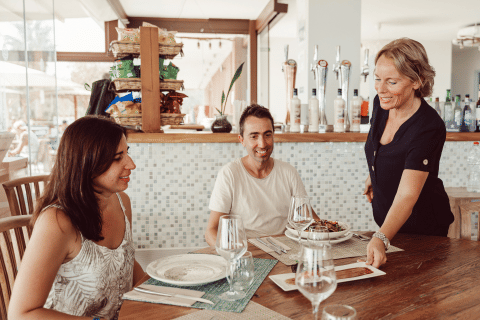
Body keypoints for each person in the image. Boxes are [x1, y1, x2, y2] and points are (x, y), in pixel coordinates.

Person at [8, 116, 145, 320]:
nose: (131, 164)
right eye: (118, 158)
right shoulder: (57, 222)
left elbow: (123, 261)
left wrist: (159, 288)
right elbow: (21, 314)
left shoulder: (122, 202)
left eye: (127, 153)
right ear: (87, 162)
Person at [363, 38, 454, 268]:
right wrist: (376, 173)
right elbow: (381, 148)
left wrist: (380, 238)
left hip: (424, 233)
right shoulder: (382, 104)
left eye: (391, 82)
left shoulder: (429, 127)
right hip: (390, 227)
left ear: (417, 81)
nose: (380, 89)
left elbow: (407, 196)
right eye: (377, 79)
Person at [205, 104, 318, 246]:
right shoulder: (229, 174)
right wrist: (233, 253)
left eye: (267, 135)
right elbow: (211, 231)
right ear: (242, 140)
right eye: (254, 136)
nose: (262, 144)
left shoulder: (288, 172)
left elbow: (311, 220)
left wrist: (331, 234)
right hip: (245, 251)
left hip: (285, 251)